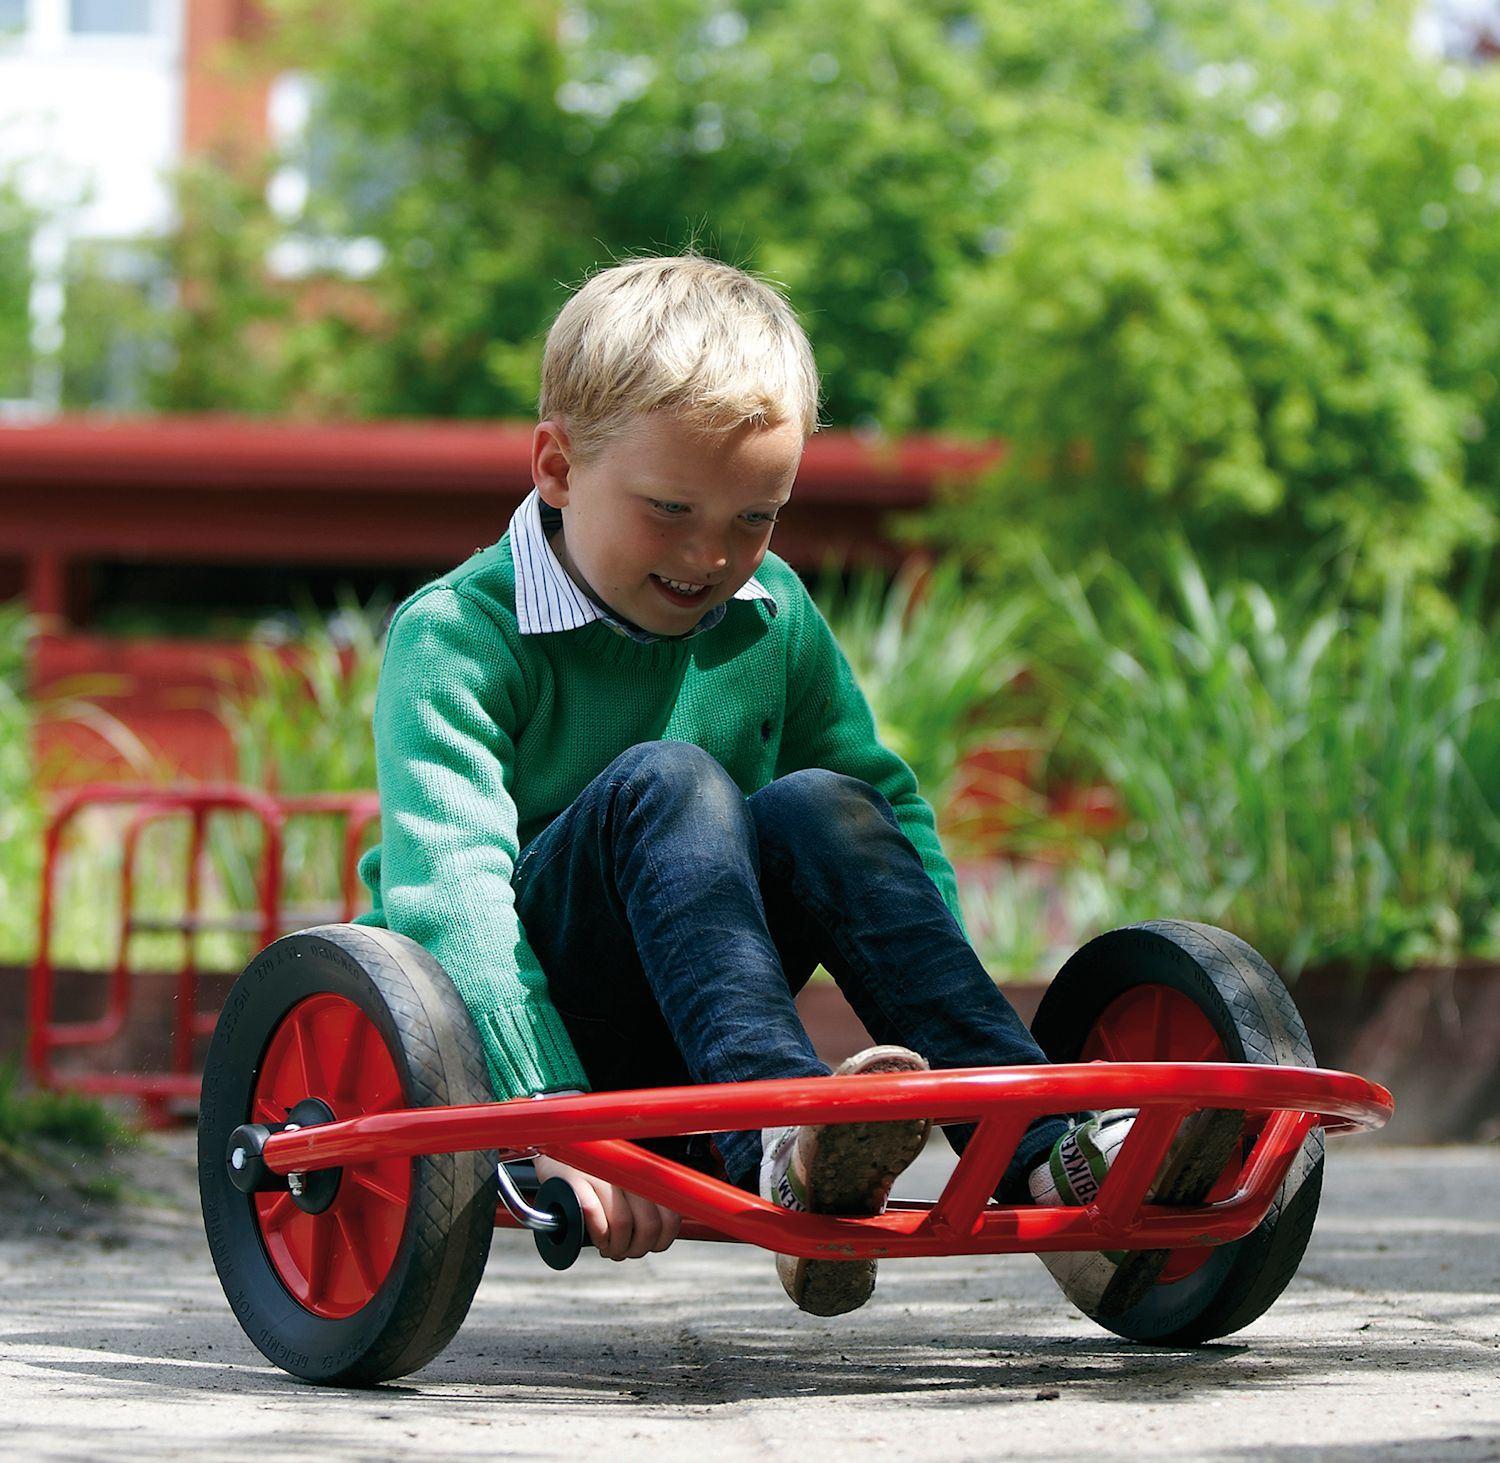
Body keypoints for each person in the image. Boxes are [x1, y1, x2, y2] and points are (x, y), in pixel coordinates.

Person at [354, 253, 1239, 1319]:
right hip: (538, 1033)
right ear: (556, 464)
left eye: (754, 517)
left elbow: (884, 809)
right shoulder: (460, 637)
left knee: (824, 804)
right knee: (671, 781)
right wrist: (554, 1113)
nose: (712, 555)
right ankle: (781, 1134)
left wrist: (926, 991)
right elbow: (449, 892)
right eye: (671, 507)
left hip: (703, 1029)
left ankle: (1042, 1155)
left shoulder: (771, 609)